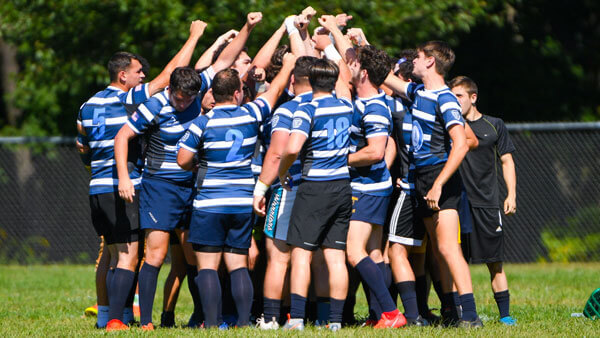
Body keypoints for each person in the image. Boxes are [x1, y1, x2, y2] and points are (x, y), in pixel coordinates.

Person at [77, 20, 207, 331]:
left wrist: (95, 171)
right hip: (125, 183)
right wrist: (194, 37)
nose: (143, 76)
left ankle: (109, 316)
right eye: (138, 72)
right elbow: (167, 77)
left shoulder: (86, 104)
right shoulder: (129, 98)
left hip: (97, 185)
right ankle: (118, 320)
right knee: (128, 254)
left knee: (109, 253)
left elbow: (82, 147)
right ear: (123, 75)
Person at [384, 40, 482, 328]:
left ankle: (471, 316)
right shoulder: (418, 92)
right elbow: (384, 76)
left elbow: (461, 144)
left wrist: (438, 184)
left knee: (449, 249)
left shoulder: (446, 98)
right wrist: (357, 43)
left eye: (417, 57)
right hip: (420, 178)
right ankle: (451, 312)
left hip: (440, 177)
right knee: (439, 251)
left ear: (430, 62)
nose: (412, 61)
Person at [319, 15, 407, 329]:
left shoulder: (374, 108)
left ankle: (391, 314)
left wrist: (341, 159)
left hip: (368, 188)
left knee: (354, 252)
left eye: (356, 65)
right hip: (372, 187)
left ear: (365, 74)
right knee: (374, 252)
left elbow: (375, 152)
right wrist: (334, 31)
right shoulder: (364, 98)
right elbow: (350, 58)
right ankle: (380, 314)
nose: (350, 66)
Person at [277, 50, 354, 330]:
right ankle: (335, 322)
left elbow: (294, 147)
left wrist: (283, 170)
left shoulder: (306, 109)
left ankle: (296, 319)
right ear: (333, 81)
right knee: (336, 256)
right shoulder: (347, 106)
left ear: (309, 81)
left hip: (315, 187)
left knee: (300, 254)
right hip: (342, 185)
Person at [252, 56, 316, 329]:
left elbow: (277, 153)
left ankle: (269, 318)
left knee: (278, 255)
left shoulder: (288, 109)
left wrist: (262, 187)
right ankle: (299, 317)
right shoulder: (333, 104)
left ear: (292, 80)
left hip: (289, 186)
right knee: (304, 254)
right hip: (321, 187)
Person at [450, 75, 517, 326]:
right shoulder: (451, 126)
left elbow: (507, 160)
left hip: (488, 203)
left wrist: (511, 194)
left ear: (473, 98)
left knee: (495, 262)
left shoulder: (494, 124)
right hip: (458, 205)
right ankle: (460, 312)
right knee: (457, 260)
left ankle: (506, 315)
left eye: (459, 96)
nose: (455, 101)